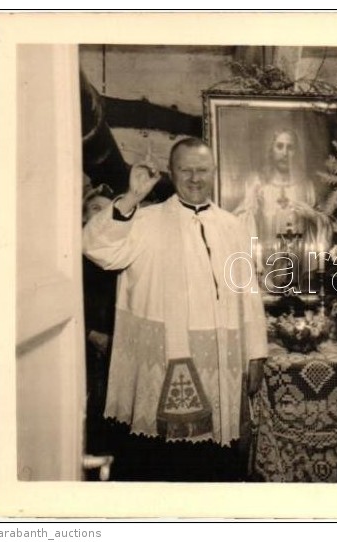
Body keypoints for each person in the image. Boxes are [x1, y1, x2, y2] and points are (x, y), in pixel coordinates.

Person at [83, 137, 269, 481]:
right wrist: (132, 197)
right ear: (171, 172)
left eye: (202, 170)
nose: (195, 178)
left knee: (215, 459)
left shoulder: (233, 227)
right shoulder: (145, 220)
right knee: (160, 460)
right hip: (163, 355)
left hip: (218, 355)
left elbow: (249, 290)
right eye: (185, 170)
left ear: (214, 172)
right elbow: (97, 248)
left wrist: (256, 352)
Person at [236, 128, 331, 291]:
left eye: (290, 147)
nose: (284, 153)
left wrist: (313, 217)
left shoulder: (306, 186)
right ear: (271, 150)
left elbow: (325, 224)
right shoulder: (258, 186)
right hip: (265, 269)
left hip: (298, 267)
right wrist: (250, 212)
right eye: (279, 146)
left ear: (296, 152)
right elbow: (239, 221)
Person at [81, 183, 118, 459]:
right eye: (95, 208)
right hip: (86, 342)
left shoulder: (121, 253)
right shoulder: (71, 253)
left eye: (108, 210)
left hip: (117, 342)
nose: (101, 215)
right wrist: (91, 333)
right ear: (83, 215)